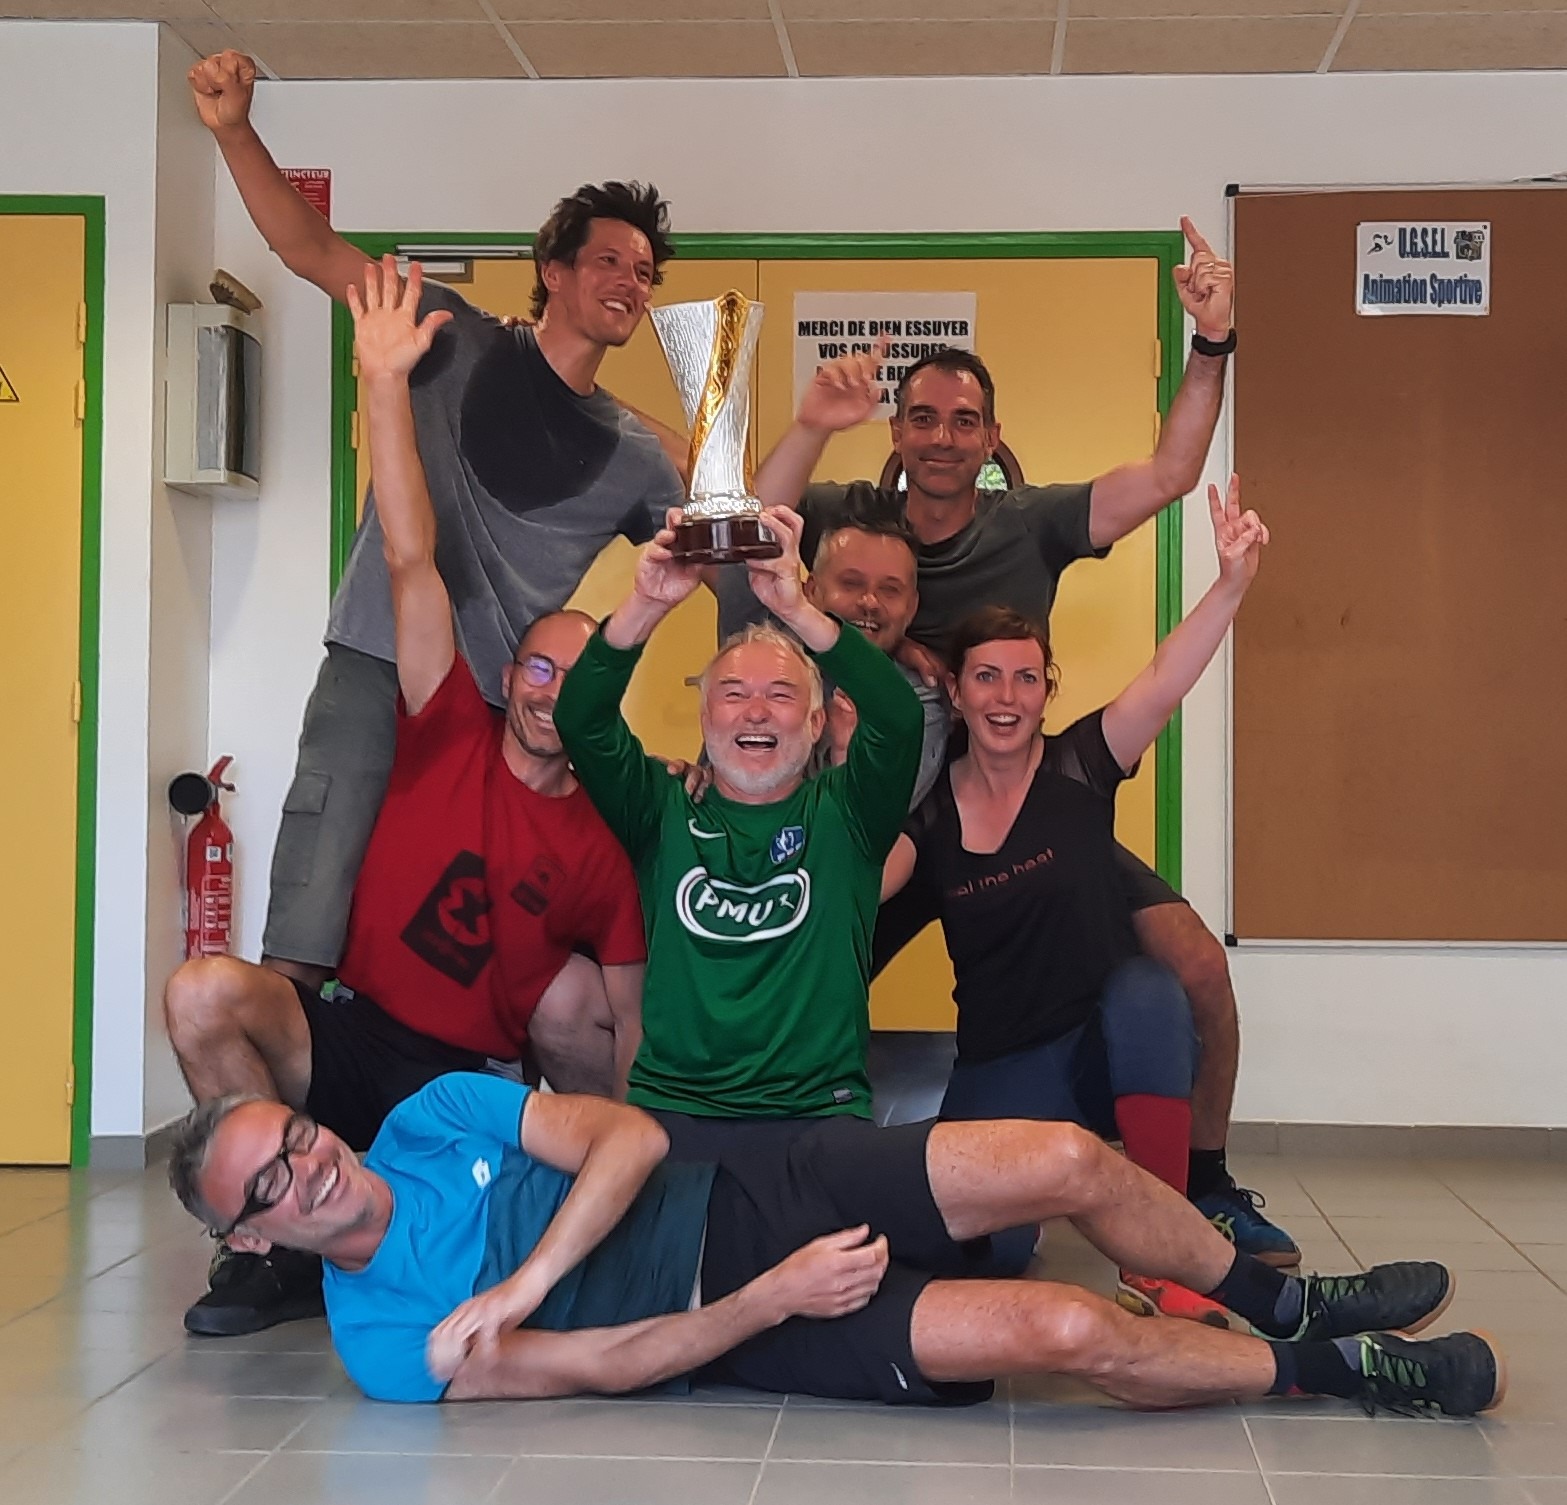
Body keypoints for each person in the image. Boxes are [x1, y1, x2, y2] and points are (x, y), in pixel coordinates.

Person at [728, 229, 1295, 1270]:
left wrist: (1211, 337)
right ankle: (784, 1169)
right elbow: (751, 519)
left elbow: (1172, 471)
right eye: (924, 417)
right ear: (895, 432)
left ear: (992, 437)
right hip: (912, 817)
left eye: (965, 421)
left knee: (1194, 970)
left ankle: (1203, 1192)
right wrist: (811, 422)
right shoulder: (846, 522)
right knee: (812, 961)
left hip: (1028, 804)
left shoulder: (1028, 521)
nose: (943, 437)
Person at [163, 259, 647, 1339]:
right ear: (508, 673)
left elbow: (631, 1030)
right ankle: (267, 1241)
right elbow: (409, 553)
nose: (547, 692)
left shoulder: (604, 845)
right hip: (351, 1033)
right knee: (201, 991)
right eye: (535, 666)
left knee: (577, 1008)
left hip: (457, 1089)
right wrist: (382, 381)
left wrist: (644, 1160)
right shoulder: (443, 732)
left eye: (576, 677)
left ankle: (484, 1220)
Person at [188, 51, 687, 989]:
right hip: (375, 663)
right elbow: (312, 250)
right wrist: (233, 131)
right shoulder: (448, 334)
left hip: (497, 715)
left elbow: (716, 542)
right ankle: (289, 1134)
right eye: (611, 260)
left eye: (647, 273)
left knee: (465, 952)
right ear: (555, 269)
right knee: (311, 913)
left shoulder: (635, 453)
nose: (631, 281)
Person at [167, 1075, 1504, 1421]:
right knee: (1066, 1332)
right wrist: (763, 1302)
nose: (314, 1158)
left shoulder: (418, 1121)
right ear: (251, 1231)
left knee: (1059, 1157)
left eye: (296, 1128)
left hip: (758, 1168)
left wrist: (511, 1284)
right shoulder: (384, 1348)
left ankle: (1283, 1301)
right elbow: (612, 1362)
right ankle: (1338, 1378)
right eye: (275, 1175)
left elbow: (627, 1141)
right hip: (745, 1310)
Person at [880, 476, 1266, 1323]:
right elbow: (850, 887)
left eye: (1024, 678)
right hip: (1000, 1070)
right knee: (994, 1252)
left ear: (1045, 689)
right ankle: (1057, 1199)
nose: (1006, 697)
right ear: (957, 693)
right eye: (986, 678)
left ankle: (1159, 1258)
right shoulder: (932, 815)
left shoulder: (1083, 768)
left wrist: (1230, 581)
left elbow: (1166, 676)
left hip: (1100, 1052)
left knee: (1150, 991)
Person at [552, 505, 924, 1155]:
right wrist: (645, 601)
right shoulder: (660, 808)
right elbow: (581, 718)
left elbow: (896, 719)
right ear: (703, 716)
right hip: (672, 1111)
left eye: (781, 694)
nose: (755, 709)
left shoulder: (849, 816)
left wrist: (797, 607)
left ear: (815, 725)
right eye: (732, 692)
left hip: (817, 1114)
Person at [802, 517, 947, 808]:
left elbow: (872, 815)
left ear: (911, 607)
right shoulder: (770, 672)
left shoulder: (921, 701)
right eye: (851, 583)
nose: (869, 601)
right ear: (811, 592)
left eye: (890, 590)